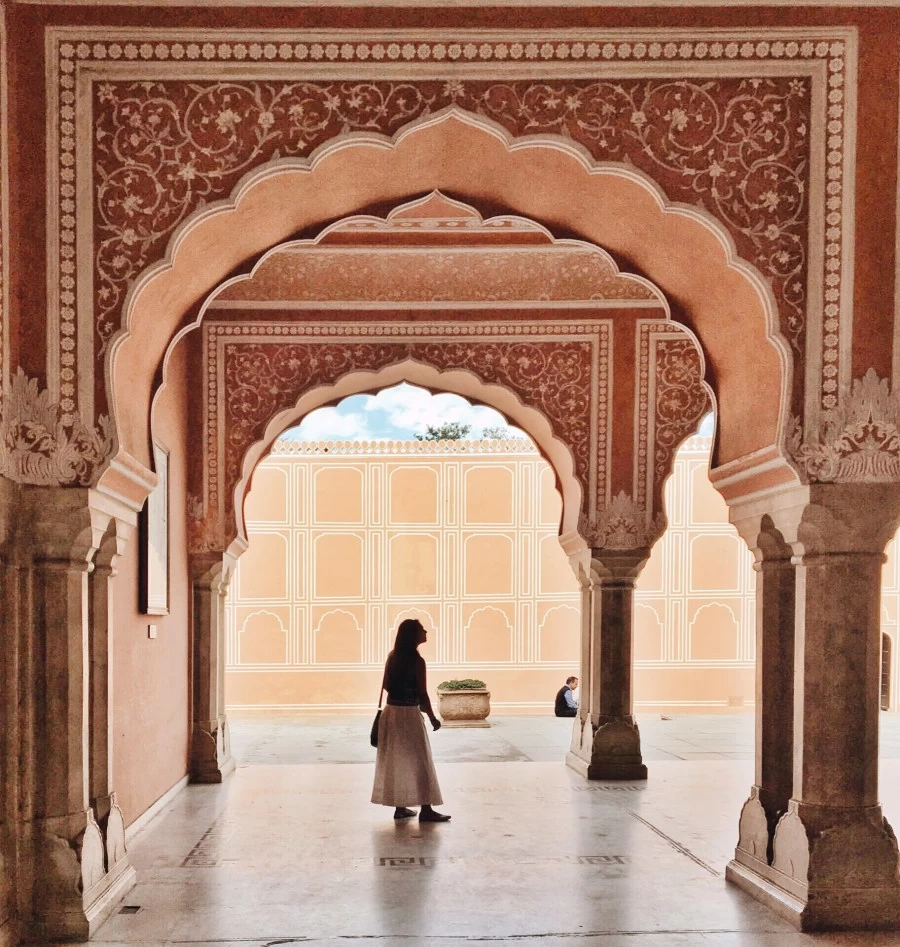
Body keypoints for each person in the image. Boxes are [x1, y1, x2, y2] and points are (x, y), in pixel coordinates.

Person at [372, 618, 451, 822]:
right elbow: (422, 693)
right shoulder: (417, 661)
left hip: (391, 712)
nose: (426, 632)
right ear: (413, 635)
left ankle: (400, 807)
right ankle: (426, 809)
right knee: (420, 761)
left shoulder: (392, 656)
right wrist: (433, 718)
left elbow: (386, 685)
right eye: (422, 629)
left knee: (397, 760)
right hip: (408, 714)